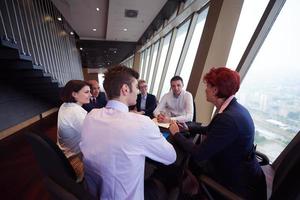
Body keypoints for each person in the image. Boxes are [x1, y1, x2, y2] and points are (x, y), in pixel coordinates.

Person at [80, 65, 176, 200]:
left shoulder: (91, 116)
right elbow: (170, 157)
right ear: (125, 89)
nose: (138, 91)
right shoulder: (141, 123)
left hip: (93, 192)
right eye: (136, 87)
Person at [169, 67, 267, 199]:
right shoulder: (234, 109)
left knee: (189, 162)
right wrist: (188, 128)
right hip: (243, 167)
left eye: (208, 86)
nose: (206, 89)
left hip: (237, 181)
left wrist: (176, 134)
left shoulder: (228, 119)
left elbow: (199, 154)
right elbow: (212, 129)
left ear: (215, 90)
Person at [57, 80, 91, 179]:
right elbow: (93, 138)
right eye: (86, 92)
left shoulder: (65, 105)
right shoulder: (76, 112)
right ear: (74, 94)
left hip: (64, 155)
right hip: (74, 160)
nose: (90, 95)